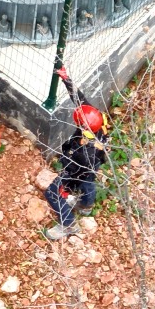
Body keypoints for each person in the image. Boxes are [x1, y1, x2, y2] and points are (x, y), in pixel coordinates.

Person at [43, 67, 109, 241]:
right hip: (94, 162)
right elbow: (79, 99)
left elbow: (75, 170)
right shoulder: (95, 119)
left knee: (52, 192)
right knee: (89, 179)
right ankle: (86, 205)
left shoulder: (84, 151)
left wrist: (65, 185)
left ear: (84, 127)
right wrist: (66, 79)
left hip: (80, 166)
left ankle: (68, 223)